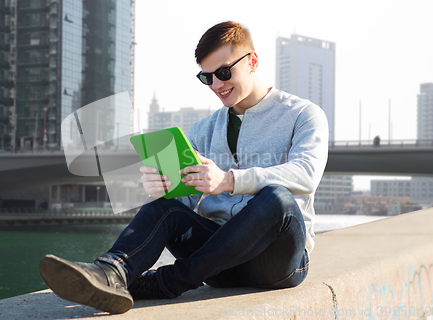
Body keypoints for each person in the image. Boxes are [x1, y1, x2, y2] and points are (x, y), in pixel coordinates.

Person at [38, 21, 329, 314]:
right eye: (207, 78)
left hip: (276, 263)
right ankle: (111, 273)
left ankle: (166, 282)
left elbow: (306, 174)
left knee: (277, 199)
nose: (217, 85)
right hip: (219, 264)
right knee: (162, 208)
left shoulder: (303, 114)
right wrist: (166, 189)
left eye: (224, 72)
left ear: (252, 61)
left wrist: (228, 180)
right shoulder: (203, 130)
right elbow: (187, 201)